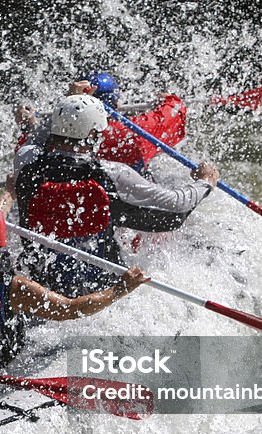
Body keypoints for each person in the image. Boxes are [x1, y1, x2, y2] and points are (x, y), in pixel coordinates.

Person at [0, 203, 148, 409]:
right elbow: (70, 309)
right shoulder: (12, 287)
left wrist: (7, 196)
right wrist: (119, 289)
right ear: (0, 237)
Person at [12, 93, 219, 295]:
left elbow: (35, 139)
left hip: (38, 283)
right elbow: (179, 203)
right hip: (99, 286)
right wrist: (205, 182)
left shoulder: (25, 160)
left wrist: (31, 123)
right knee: (165, 218)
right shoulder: (112, 173)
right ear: (92, 135)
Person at [15, 71, 187, 176]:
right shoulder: (131, 133)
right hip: (129, 208)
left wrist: (28, 126)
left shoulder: (59, 133)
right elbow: (175, 113)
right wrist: (169, 100)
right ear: (115, 103)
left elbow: (26, 154)